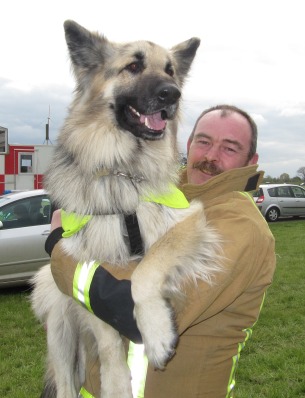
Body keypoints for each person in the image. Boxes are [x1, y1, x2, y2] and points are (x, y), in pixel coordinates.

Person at [46, 104, 276, 398]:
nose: (210, 157)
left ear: (250, 160)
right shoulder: (157, 191)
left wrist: (59, 248)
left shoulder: (240, 227)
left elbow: (132, 311)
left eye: (229, 148)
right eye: (203, 141)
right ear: (189, 144)